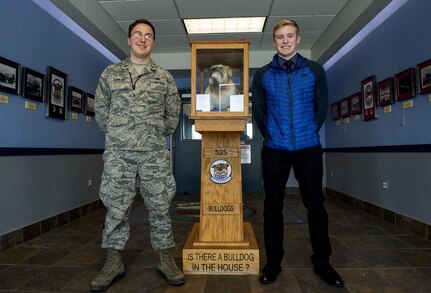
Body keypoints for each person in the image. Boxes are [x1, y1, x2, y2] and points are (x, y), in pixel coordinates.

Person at [91, 19, 184, 291]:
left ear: (153, 42)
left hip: (154, 154)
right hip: (119, 154)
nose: (143, 39)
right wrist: (123, 134)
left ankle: (166, 259)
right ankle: (112, 261)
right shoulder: (110, 74)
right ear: (129, 40)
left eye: (148, 35)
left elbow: (172, 117)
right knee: (115, 207)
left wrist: (149, 134)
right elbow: (102, 113)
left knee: (160, 207)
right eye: (137, 35)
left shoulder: (164, 77)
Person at [252, 19, 344, 288]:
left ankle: (323, 263)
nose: (285, 40)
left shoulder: (314, 70)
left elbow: (320, 108)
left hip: (308, 149)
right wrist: (272, 136)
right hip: (274, 150)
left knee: (315, 206)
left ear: (298, 38)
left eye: (289, 36)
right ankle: (273, 263)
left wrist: (306, 134)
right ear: (274, 41)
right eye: (280, 37)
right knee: (273, 207)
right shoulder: (263, 75)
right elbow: (259, 112)